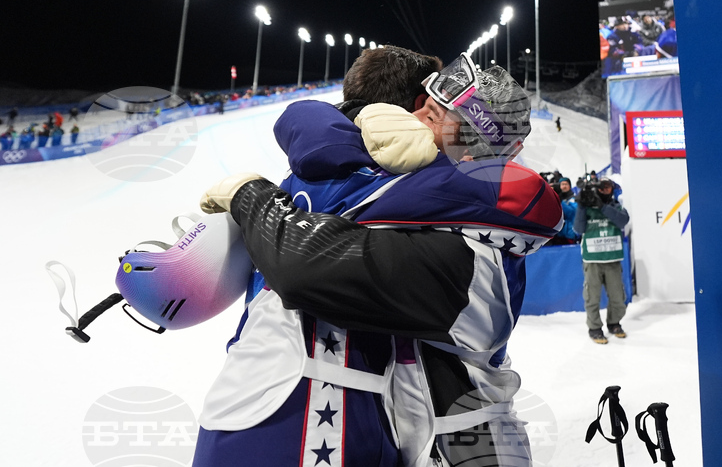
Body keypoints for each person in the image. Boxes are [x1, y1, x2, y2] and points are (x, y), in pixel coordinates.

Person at [194, 48, 561, 467]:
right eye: (425, 104)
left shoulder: (473, 253)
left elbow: (305, 262)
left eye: (439, 116)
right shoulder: (434, 210)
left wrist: (252, 194)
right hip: (397, 436)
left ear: (477, 153)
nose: (421, 117)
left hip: (472, 451)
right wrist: (352, 121)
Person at [574, 177, 631, 344]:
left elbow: (622, 221)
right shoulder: (587, 207)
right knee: (592, 297)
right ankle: (594, 328)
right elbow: (578, 229)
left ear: (612, 189)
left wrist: (602, 207)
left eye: (608, 187)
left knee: (618, 297)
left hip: (612, 259)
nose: (605, 190)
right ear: (597, 189)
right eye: (602, 188)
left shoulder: (616, 206)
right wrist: (581, 206)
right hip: (592, 260)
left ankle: (614, 323)